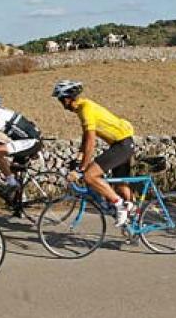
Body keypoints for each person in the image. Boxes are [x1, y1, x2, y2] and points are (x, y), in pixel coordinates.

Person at [52, 79, 135, 227]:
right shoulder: (82, 108)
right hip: (123, 144)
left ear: (67, 98)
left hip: (122, 145)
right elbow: (85, 138)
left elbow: (91, 142)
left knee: (90, 176)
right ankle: (135, 221)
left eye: (61, 100)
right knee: (121, 185)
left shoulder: (86, 109)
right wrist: (79, 158)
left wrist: (83, 168)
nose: (61, 104)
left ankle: (120, 205)